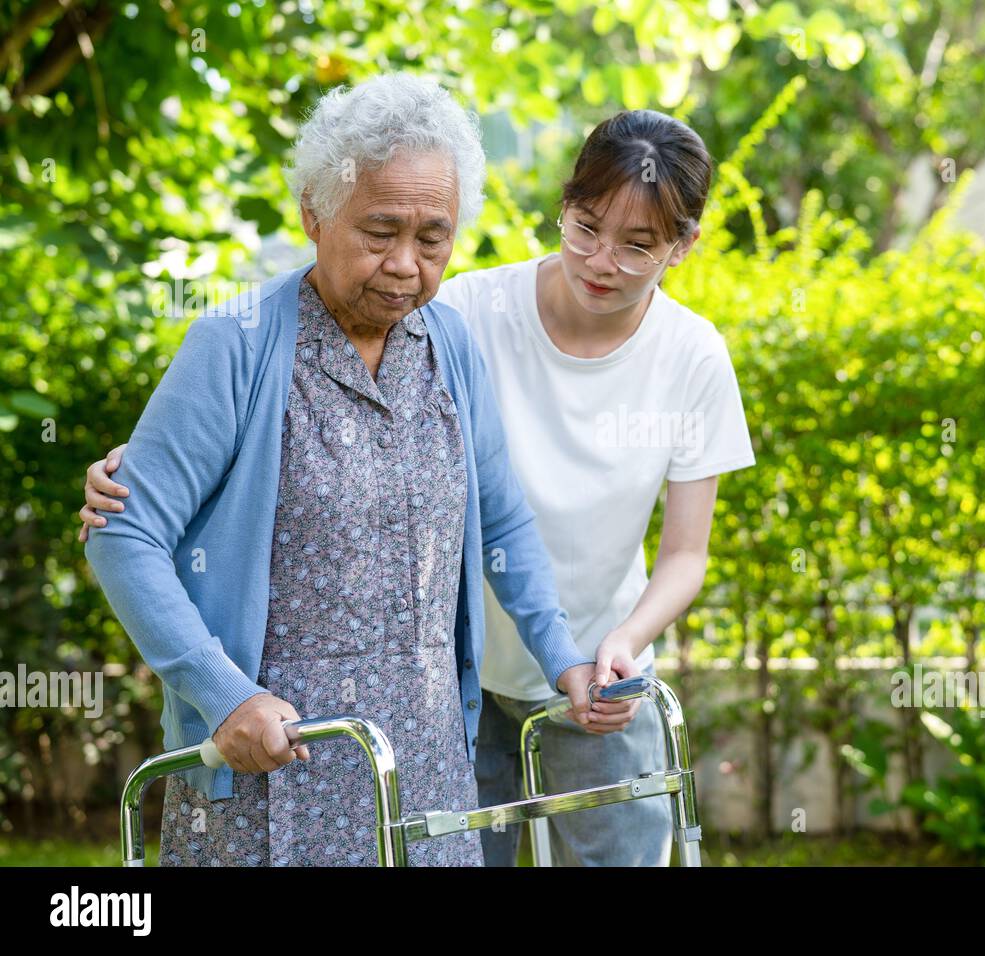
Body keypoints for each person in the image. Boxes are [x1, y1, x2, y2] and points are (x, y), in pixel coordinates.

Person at [82, 109, 755, 867]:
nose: (406, 264)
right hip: (274, 761)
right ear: (314, 210)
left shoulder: (449, 341)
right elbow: (126, 534)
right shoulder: (234, 345)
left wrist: (563, 658)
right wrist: (222, 695)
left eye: (432, 238)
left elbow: (501, 523)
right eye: (379, 232)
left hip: (428, 766)